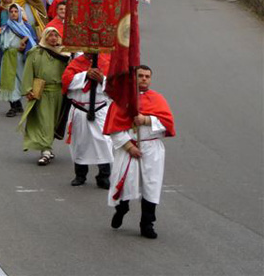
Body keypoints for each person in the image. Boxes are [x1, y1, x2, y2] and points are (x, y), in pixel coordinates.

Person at [103, 65, 175, 239]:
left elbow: (167, 122)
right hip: (128, 148)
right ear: (134, 78)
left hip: (151, 149)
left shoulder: (157, 99)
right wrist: (129, 147)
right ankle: (121, 209)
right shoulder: (122, 100)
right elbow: (115, 128)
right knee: (126, 182)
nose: (144, 79)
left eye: (147, 76)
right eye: (140, 75)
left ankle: (147, 223)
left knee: (151, 185)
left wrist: (147, 119)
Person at [62, 53, 113, 189]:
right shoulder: (76, 63)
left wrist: (102, 79)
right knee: (80, 143)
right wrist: (85, 75)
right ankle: (80, 175)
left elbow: (115, 86)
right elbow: (67, 81)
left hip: (100, 108)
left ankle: (104, 176)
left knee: (104, 142)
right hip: (80, 109)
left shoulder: (107, 62)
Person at [19, 28, 70, 165]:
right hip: (43, 92)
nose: (53, 38)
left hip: (59, 92)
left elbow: (71, 71)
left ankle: (47, 146)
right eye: (50, 35)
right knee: (45, 122)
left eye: (56, 35)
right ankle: (45, 151)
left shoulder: (64, 53)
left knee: (54, 122)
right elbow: (28, 71)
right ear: (45, 37)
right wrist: (28, 89)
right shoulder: (36, 52)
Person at [0, 4, 37, 117]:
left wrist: (24, 47)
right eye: (11, 12)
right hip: (8, 57)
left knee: (21, 81)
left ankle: (18, 104)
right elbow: (1, 43)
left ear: (19, 13)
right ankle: (13, 106)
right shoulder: (6, 27)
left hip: (21, 58)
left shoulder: (26, 27)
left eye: (16, 11)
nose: (14, 13)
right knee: (10, 81)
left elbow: (33, 41)